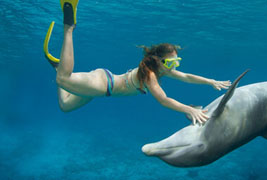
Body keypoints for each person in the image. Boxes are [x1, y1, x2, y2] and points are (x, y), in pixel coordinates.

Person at [43, 0, 231, 125]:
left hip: (101, 86)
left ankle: (59, 65)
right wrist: (188, 109)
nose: (174, 67)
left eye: (177, 62)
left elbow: (188, 77)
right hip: (103, 84)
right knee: (63, 80)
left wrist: (211, 81)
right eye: (170, 63)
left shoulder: (162, 70)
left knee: (65, 106)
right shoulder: (150, 74)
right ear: (158, 60)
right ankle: (69, 26)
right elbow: (164, 99)